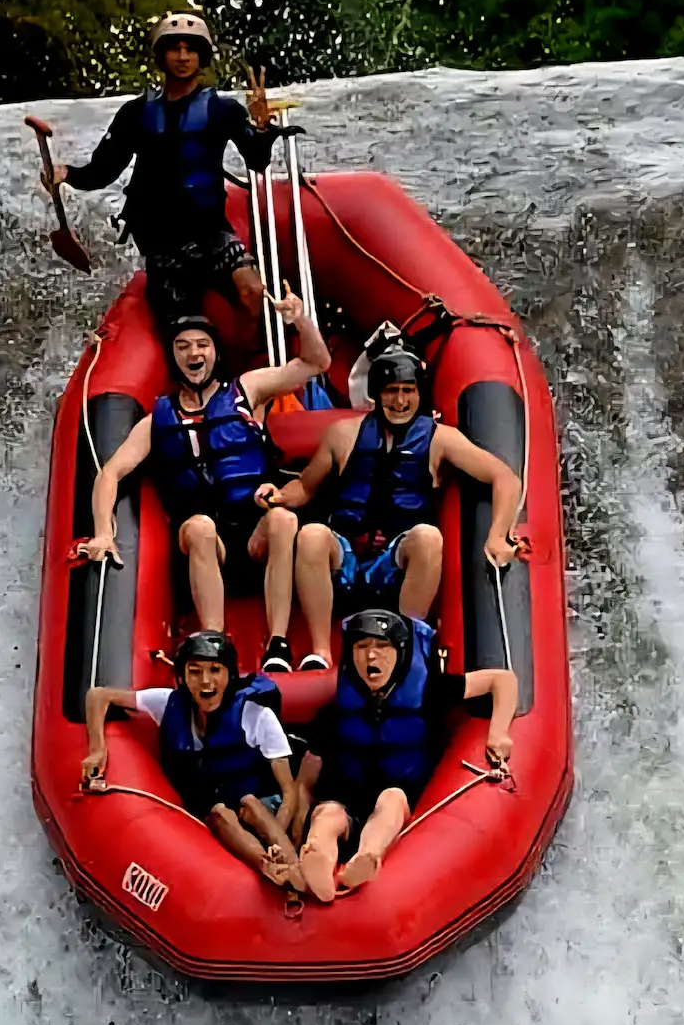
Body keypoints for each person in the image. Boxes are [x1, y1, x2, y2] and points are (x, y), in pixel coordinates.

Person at [80, 288, 331, 672]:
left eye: (202, 345)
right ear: (173, 357)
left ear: (216, 352)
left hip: (254, 535)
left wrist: (299, 320)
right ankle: (214, 641)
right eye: (183, 347)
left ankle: (277, 643)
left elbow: (316, 363)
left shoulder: (249, 390)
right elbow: (110, 473)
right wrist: (102, 533)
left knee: (283, 518)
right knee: (198, 527)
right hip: (205, 546)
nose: (194, 354)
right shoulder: (158, 420)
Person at [255, 343, 523, 671]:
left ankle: (405, 645)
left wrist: (498, 535)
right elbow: (305, 487)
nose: (399, 401)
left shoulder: (441, 439)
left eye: (408, 391)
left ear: (419, 393)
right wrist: (277, 496)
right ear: (376, 394)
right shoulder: (342, 435)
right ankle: (321, 652)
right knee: (312, 534)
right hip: (346, 563)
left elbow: (504, 478)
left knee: (428, 537)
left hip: (395, 565)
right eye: (390, 391)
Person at [43, 11, 299, 327]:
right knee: (182, 328)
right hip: (161, 241)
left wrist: (262, 127)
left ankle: (267, 360)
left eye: (190, 49)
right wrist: (67, 173)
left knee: (252, 289)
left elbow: (257, 162)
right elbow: (103, 170)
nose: (182, 57)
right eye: (174, 48)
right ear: (161, 56)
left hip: (211, 233)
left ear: (201, 57)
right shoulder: (135, 114)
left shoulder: (223, 110)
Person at [295, 609, 519, 902]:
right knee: (327, 815)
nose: (371, 658)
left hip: (400, 793)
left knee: (391, 801)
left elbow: (502, 680)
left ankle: (367, 857)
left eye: (381, 647)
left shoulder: (430, 691)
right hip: (348, 797)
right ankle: (318, 859)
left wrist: (498, 733)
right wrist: (298, 821)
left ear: (400, 652)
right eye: (362, 648)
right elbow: (308, 774)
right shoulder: (337, 709)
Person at [81, 629, 306, 889]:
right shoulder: (167, 703)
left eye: (214, 670)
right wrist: (97, 748)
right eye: (195, 671)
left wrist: (276, 836)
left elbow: (289, 792)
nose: (205, 681)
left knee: (250, 804)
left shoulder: (256, 715)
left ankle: (291, 865)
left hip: (263, 805)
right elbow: (98, 695)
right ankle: (267, 865)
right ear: (183, 677)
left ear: (229, 675)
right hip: (209, 810)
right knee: (221, 812)